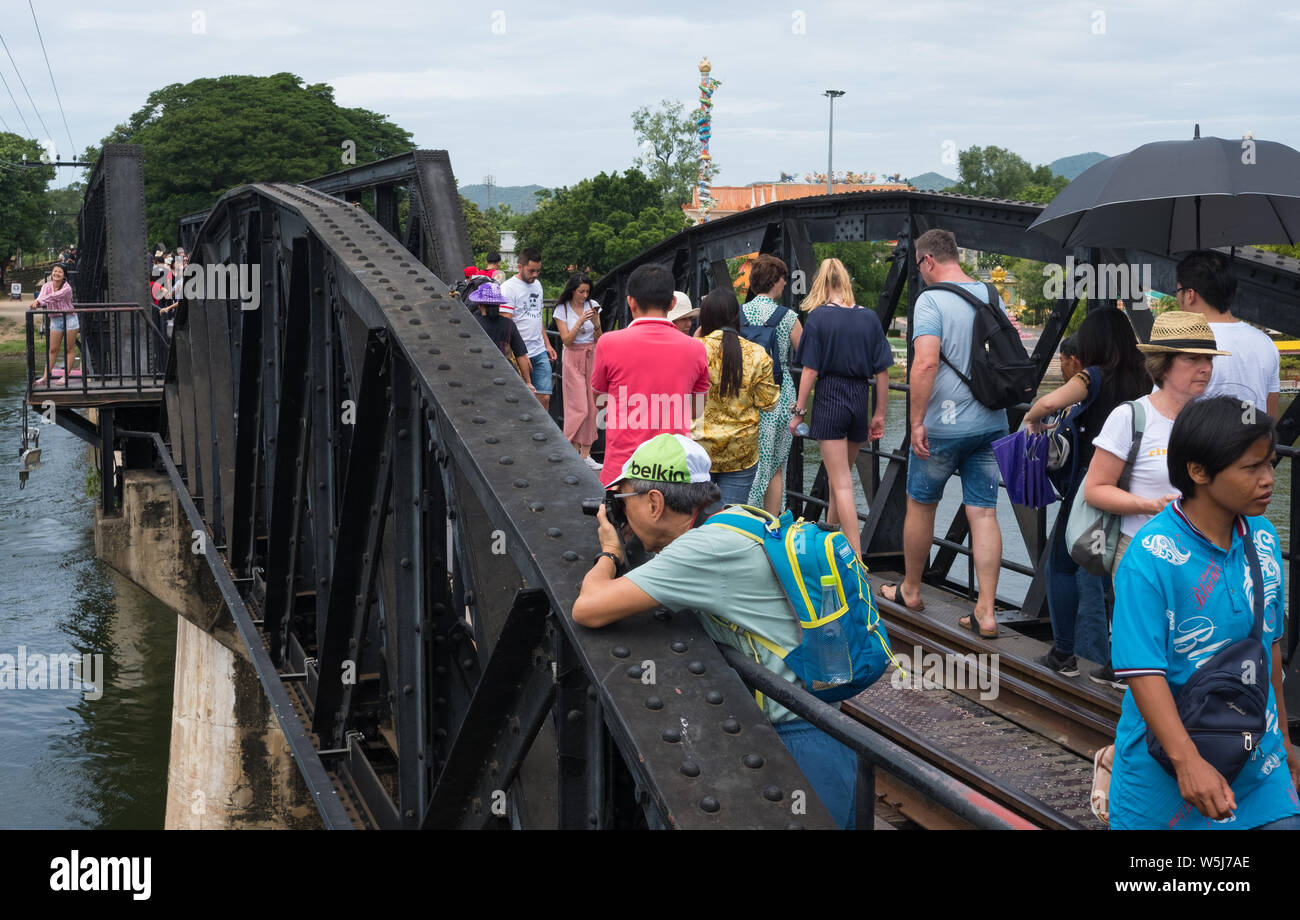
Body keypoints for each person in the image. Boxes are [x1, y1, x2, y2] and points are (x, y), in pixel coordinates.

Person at [571, 434, 859, 828]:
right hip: (823, 726)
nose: (621, 515)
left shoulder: (701, 551)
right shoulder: (739, 518)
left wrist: (610, 552)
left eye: (624, 503)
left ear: (654, 503)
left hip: (795, 743)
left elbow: (588, 608)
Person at [1107, 396, 1300, 830]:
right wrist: (1187, 762)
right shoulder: (1152, 557)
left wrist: (1284, 738)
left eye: (1270, 464)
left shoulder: (1264, 538)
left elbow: (1266, 651)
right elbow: (1143, 670)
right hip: (1169, 765)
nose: (1269, 479)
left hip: (1257, 761)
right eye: (1252, 468)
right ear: (1198, 471)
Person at [1083, 310, 1228, 688]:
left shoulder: (1213, 420)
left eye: (1208, 359)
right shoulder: (1131, 417)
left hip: (1206, 553)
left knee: (1191, 656)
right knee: (1148, 662)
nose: (1204, 368)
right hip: (1142, 550)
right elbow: (1096, 488)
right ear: (1163, 364)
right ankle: (1136, 742)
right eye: (1192, 358)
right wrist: (1152, 506)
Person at [883, 229, 1004, 637]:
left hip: (943, 427)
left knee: (921, 505)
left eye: (918, 266)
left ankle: (911, 590)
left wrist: (916, 421)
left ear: (928, 260)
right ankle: (985, 612)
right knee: (985, 512)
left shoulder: (931, 300)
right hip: (990, 421)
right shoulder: (990, 294)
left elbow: (924, 365)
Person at [1024, 311, 1152, 677]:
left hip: (1091, 481)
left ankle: (1063, 654)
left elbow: (1047, 404)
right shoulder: (1145, 377)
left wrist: (1032, 420)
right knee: (1120, 569)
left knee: (1062, 564)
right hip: (1132, 481)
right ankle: (1120, 661)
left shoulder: (1093, 376)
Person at [788, 258, 891, 560]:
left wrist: (798, 413)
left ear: (821, 283)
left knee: (842, 483)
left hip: (831, 396)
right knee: (840, 477)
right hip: (860, 396)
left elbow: (809, 370)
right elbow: (882, 372)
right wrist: (880, 414)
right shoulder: (869, 318)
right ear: (845, 281)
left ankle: (856, 557)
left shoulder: (819, 318)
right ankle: (829, 535)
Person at [591, 264, 710, 488]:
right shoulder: (695, 349)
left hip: (623, 469)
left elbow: (599, 401)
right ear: (672, 303)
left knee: (617, 522)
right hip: (673, 469)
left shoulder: (608, 343)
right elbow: (697, 410)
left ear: (630, 301)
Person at [694, 289, 780, 505]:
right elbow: (768, 403)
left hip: (699, 448)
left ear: (704, 318)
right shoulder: (757, 353)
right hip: (740, 450)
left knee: (697, 520)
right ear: (736, 317)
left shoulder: (694, 350)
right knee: (729, 521)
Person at [1174, 249, 1279, 418]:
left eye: (1178, 292)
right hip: (1252, 441)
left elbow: (1163, 415)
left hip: (1200, 444)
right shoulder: (1265, 343)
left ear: (1190, 295)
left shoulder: (1183, 342)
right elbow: (1270, 417)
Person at [744, 255, 804, 514]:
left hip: (745, 396)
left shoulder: (739, 313)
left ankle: (744, 514)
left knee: (748, 461)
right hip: (779, 396)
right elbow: (806, 354)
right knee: (775, 465)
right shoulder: (787, 317)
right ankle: (770, 521)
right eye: (783, 280)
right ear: (776, 281)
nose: (785, 285)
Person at [554, 272, 602, 471]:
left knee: (592, 407)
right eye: (581, 291)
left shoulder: (594, 305)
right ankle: (570, 449)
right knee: (578, 406)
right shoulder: (561, 309)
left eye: (587, 291)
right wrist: (580, 321)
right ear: (572, 291)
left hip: (591, 354)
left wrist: (596, 321)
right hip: (573, 356)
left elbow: (600, 336)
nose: (585, 295)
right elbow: (566, 340)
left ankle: (585, 454)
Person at [500, 248, 556, 410]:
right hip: (521, 353)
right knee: (524, 401)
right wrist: (518, 356)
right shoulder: (508, 288)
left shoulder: (537, 285)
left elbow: (537, 317)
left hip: (539, 351)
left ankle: (544, 433)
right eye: (531, 271)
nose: (535, 275)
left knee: (544, 397)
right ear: (519, 267)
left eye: (538, 271)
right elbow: (506, 326)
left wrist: (547, 344)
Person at [468, 281, 535, 392]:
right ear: (499, 304)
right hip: (506, 376)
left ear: (480, 305)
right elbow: (521, 355)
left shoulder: (472, 323)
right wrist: (528, 382)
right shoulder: (509, 324)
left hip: (478, 376)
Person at [31, 263, 77, 386]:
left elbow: (53, 297)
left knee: (69, 348)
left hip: (70, 318)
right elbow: (41, 297)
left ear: (64, 276)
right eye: (55, 271)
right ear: (52, 273)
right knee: (53, 349)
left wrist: (39, 301)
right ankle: (45, 377)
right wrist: (36, 303)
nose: (56, 274)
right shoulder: (46, 286)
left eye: (60, 272)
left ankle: (65, 377)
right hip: (55, 319)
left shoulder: (67, 288)